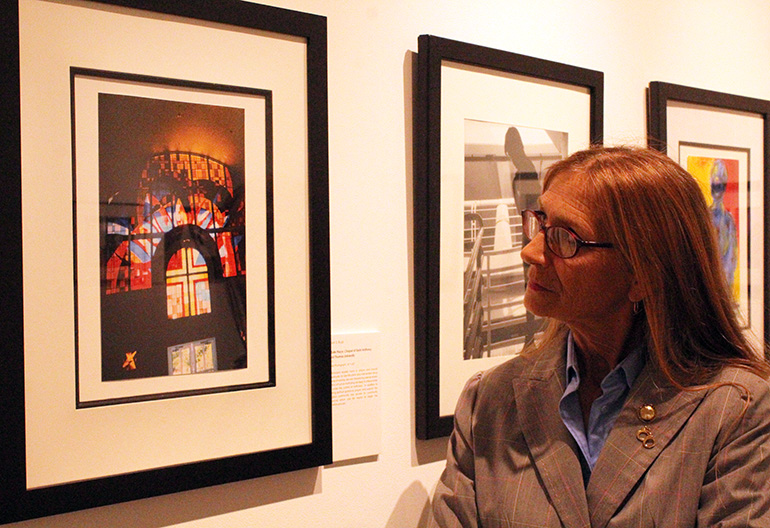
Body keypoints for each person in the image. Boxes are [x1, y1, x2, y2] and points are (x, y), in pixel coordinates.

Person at [430, 146, 770, 528]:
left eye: (564, 238)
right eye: (539, 223)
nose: (531, 251)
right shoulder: (490, 400)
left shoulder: (735, 410)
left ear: (643, 273)